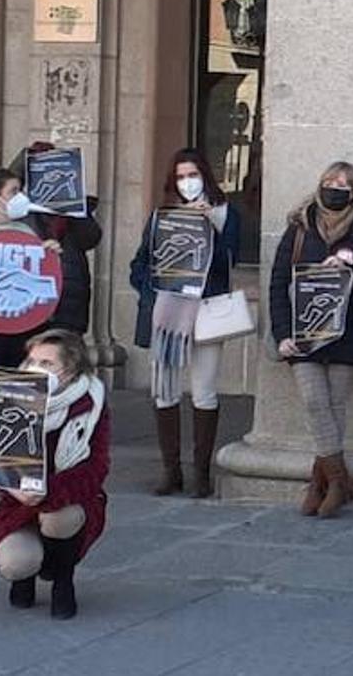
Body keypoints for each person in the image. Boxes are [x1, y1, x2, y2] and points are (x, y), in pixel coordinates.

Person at [269, 161, 353, 519]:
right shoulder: (300, 228)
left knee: (334, 408)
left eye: (344, 183)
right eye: (330, 181)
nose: (336, 187)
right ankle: (339, 482)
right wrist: (281, 334)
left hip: (345, 336)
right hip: (303, 336)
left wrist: (347, 273)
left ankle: (319, 484)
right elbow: (277, 283)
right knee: (314, 403)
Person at [129, 148, 241, 499]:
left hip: (206, 310)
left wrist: (212, 223)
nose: (187, 182)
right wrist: (153, 291)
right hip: (168, 316)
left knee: (205, 390)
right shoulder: (161, 217)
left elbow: (231, 256)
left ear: (205, 175)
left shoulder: (224, 213)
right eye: (180, 176)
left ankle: (201, 473)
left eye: (192, 174)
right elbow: (140, 264)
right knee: (165, 390)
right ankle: (170, 470)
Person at [0, 328, 110, 620]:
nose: (34, 368)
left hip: (65, 497)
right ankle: (25, 577)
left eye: (46, 363)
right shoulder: (8, 394)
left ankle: (63, 578)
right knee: (16, 562)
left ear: (70, 371)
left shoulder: (90, 403)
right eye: (31, 360)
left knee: (59, 517)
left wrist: (46, 491)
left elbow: (97, 466)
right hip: (12, 500)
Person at [0, 168, 64, 371]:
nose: (21, 197)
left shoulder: (29, 231)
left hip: (28, 326)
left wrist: (51, 256)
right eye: (13, 191)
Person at [11, 142, 104, 336]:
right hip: (30, 301)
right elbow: (3, 189)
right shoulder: (20, 208)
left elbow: (91, 238)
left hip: (69, 299)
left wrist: (76, 205)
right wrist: (26, 159)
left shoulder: (71, 207)